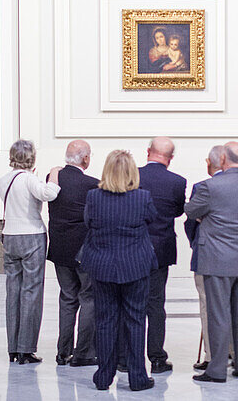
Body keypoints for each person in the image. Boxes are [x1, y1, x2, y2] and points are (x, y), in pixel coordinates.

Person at [184, 140, 238, 383]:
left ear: (223, 160)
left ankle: (217, 370)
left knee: (218, 314)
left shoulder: (210, 186)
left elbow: (190, 211)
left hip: (217, 259)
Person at [82, 149, 157, 392]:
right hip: (135, 265)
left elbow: (88, 223)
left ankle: (104, 376)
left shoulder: (94, 197)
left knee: (105, 321)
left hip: (103, 266)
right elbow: (152, 219)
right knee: (135, 320)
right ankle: (137, 377)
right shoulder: (142, 197)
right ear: (132, 172)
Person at [0, 138, 60, 366]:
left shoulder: (3, 180)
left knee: (13, 292)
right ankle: (26, 349)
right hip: (31, 236)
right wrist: (54, 173)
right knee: (32, 292)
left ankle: (12, 348)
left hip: (10, 237)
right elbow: (49, 193)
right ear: (31, 157)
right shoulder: (28, 179)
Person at [47, 139, 99, 367]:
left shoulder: (53, 180)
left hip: (60, 250)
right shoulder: (92, 184)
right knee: (88, 298)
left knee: (67, 298)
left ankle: (62, 352)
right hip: (85, 251)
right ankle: (84, 352)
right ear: (85, 158)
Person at [137, 138, 187, 374]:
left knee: (131, 302)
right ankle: (157, 358)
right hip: (161, 248)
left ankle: (127, 357)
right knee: (156, 304)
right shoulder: (177, 182)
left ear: (148, 152)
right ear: (171, 157)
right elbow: (178, 211)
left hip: (134, 247)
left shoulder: (134, 175)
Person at [184, 145, 225, 372]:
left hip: (206, 255)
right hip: (236, 258)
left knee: (208, 306)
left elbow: (189, 217)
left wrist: (194, 242)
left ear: (209, 163)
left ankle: (212, 356)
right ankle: (235, 351)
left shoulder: (202, 187)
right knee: (235, 305)